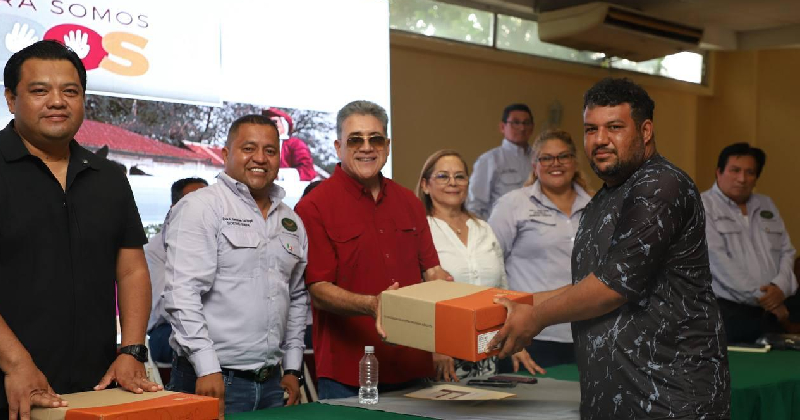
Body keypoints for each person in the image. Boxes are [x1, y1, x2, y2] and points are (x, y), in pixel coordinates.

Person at [489, 77, 730, 418]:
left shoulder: (660, 185)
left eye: (615, 127)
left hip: (668, 398)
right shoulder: (605, 197)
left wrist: (535, 317)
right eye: (591, 129)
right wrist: (520, 304)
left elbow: (612, 287)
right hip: (612, 396)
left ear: (645, 131)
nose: (600, 139)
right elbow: (590, 282)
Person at [0, 40, 161, 418]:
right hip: (11, 388)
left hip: (96, 390)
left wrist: (132, 350)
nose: (57, 101)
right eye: (40, 91)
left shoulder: (109, 177)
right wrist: (16, 364)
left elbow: (132, 270)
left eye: (70, 91)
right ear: (11, 99)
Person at [294, 100, 452, 399]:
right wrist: (373, 304)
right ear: (338, 147)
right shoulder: (313, 206)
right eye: (355, 140)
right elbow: (319, 290)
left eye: (375, 139)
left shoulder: (409, 202)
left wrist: (448, 290)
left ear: (387, 146)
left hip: (413, 366)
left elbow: (432, 270)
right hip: (347, 374)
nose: (366, 148)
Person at [163, 115, 308, 415]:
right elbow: (182, 293)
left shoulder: (291, 221)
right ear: (226, 154)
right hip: (211, 379)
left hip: (273, 383)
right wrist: (206, 367)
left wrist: (293, 368)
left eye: (270, 150)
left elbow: (296, 298)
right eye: (249, 148)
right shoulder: (200, 207)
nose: (260, 158)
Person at [416, 149, 542, 381]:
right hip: (441, 355)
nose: (453, 182)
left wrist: (515, 339)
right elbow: (412, 297)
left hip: (486, 349)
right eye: (443, 176)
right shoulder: (420, 231)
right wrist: (432, 344)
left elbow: (502, 290)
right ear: (425, 185)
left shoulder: (483, 229)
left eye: (460, 176)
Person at [487, 129, 592, 371]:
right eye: (546, 158)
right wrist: (499, 324)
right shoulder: (513, 205)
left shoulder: (596, 205)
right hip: (530, 334)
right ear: (535, 166)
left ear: (575, 162)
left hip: (585, 332)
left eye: (563, 156)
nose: (556, 164)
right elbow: (490, 267)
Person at [702, 142, 797, 343]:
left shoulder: (766, 204)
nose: (742, 179)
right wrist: (767, 300)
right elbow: (717, 261)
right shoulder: (703, 206)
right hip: (730, 314)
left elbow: (787, 252)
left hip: (773, 311)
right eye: (735, 170)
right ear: (719, 172)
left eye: (750, 172)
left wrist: (779, 289)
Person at [145, 177, 208, 364]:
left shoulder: (216, 241)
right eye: (194, 203)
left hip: (210, 326)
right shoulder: (156, 249)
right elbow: (166, 307)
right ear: (175, 209)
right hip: (167, 330)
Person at [466, 103, 535, 219]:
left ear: (532, 127)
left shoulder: (540, 159)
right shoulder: (489, 160)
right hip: (499, 228)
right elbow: (475, 206)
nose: (522, 128)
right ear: (502, 127)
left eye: (526, 123)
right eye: (516, 122)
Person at [263, 107, 317, 181]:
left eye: (274, 122)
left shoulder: (296, 144)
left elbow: (307, 171)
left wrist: (279, 175)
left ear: (284, 125)